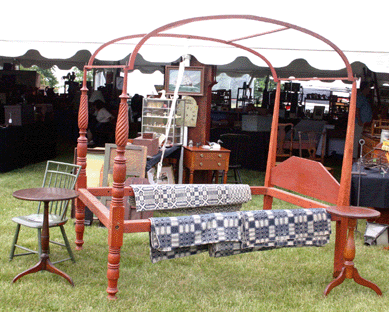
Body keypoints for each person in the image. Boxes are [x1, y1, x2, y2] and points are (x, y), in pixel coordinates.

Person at [354, 81, 373, 160]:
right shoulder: (360, 97)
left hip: (364, 123)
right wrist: (360, 121)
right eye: (368, 88)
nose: (369, 90)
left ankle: (357, 158)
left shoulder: (364, 97)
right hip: (359, 123)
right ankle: (354, 158)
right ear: (365, 88)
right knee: (356, 140)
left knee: (361, 141)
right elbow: (357, 109)